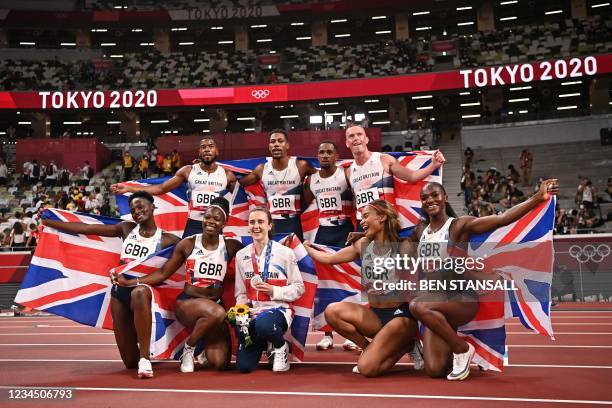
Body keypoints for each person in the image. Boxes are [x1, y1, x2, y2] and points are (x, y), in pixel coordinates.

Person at [408, 179, 559, 381]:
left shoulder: (459, 226)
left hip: (461, 300)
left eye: (435, 195)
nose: (430, 200)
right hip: (436, 305)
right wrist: (363, 236)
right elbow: (394, 237)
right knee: (434, 370)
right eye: (424, 197)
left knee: (417, 306)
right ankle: (456, 345)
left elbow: (502, 219)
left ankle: (462, 349)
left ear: (445, 197)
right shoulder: (421, 231)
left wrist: (536, 198)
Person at [43, 191, 179, 379]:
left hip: (144, 293)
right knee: (129, 362)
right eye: (133, 209)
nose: (137, 211)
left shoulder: (168, 241)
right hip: (120, 293)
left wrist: (132, 281)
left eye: (141, 207)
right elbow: (87, 229)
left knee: (139, 292)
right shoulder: (126, 229)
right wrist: (51, 223)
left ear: (153, 207)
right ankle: (141, 355)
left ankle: (146, 358)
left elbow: (166, 272)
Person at [116, 197, 242, 373]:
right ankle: (188, 349)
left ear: (224, 223)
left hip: (213, 305)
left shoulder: (230, 246)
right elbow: (162, 273)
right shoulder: (188, 244)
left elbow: (253, 254)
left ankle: (202, 346)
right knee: (218, 313)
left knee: (220, 364)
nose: (210, 222)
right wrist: (131, 282)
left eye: (216, 219)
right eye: (207, 217)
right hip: (187, 304)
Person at [303, 200, 424, 377]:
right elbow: (328, 259)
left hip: (400, 318)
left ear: (382, 217)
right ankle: (369, 349)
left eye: (366, 216)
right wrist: (306, 247)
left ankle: (406, 344)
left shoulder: (404, 245)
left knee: (367, 369)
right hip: (375, 316)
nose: (361, 220)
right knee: (332, 311)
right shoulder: (362, 245)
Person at [112, 137, 237, 238]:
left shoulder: (227, 175)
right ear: (199, 152)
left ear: (217, 151)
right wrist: (129, 188)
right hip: (194, 223)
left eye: (211, 146)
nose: (207, 149)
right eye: (203, 147)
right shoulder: (188, 171)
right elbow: (160, 188)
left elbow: (241, 197)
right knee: (186, 259)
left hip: (215, 224)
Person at [234, 207, 305, 373]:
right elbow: (241, 292)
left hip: (278, 309)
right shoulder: (241, 255)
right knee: (244, 366)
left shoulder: (285, 253)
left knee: (264, 325)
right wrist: (240, 309)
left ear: (269, 226)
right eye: (252, 222)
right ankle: (265, 343)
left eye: (260, 222)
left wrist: (274, 290)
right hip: (253, 312)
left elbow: (299, 288)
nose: (256, 226)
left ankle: (280, 347)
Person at [303, 140, 357, 351]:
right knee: (324, 283)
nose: (324, 155)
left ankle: (352, 332)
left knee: (348, 282)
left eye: (329, 152)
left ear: (336, 156)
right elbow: (301, 205)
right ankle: (327, 334)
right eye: (321, 152)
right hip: (323, 233)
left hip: (345, 231)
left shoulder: (345, 174)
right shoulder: (312, 180)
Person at [344, 125, 445, 231]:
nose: (356, 138)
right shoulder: (349, 171)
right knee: (367, 248)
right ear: (347, 143)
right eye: (351, 136)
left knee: (388, 248)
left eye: (359, 134)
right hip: (363, 225)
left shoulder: (384, 160)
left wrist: (433, 165)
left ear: (366, 139)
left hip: (385, 221)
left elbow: (412, 176)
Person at [239, 129, 316, 240]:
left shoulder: (301, 166)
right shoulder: (262, 169)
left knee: (294, 256)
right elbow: (239, 184)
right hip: (272, 225)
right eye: (273, 141)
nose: (276, 144)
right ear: (269, 146)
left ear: (287, 145)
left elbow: (323, 178)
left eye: (280, 141)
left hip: (294, 224)